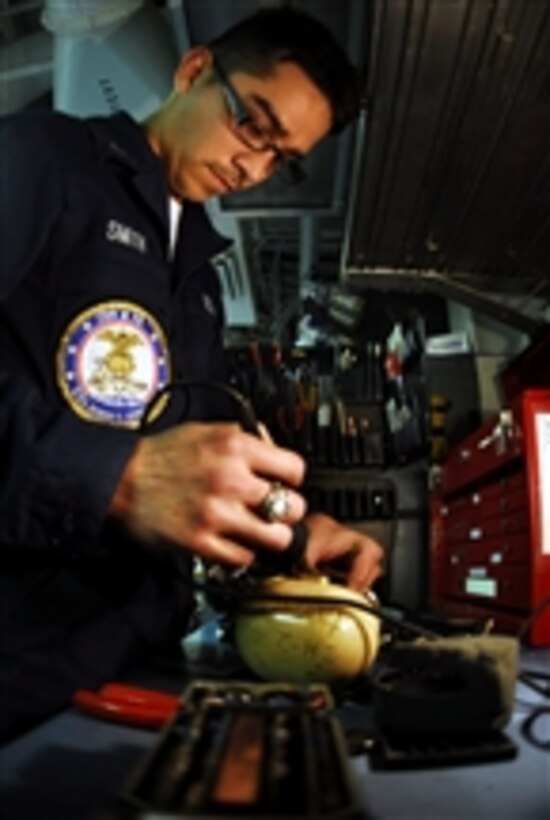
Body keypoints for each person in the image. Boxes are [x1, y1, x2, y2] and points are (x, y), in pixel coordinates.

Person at [0, 7, 383, 741]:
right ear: (193, 70)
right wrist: (110, 476)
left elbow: (189, 464)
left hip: (130, 655)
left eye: (282, 158)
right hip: (19, 656)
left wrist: (292, 535)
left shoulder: (200, 278)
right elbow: (138, 470)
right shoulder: (46, 160)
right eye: (251, 123)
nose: (253, 167)